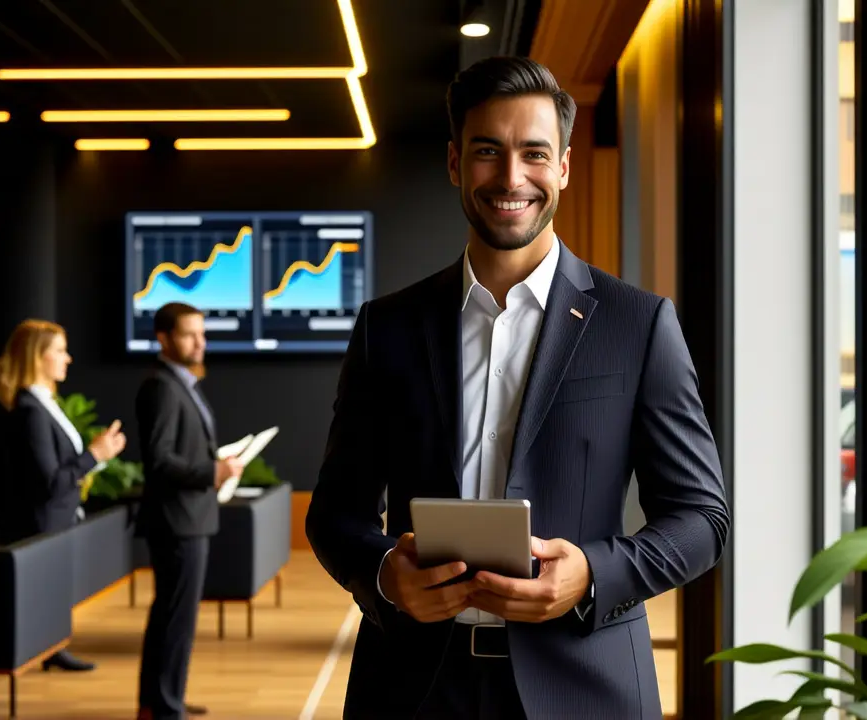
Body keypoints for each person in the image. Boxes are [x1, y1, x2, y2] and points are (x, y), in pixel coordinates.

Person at [306, 56, 731, 719]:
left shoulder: (637, 324)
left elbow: (702, 521)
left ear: (562, 166)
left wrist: (592, 573)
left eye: (534, 153)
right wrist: (388, 575)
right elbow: (334, 515)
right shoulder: (385, 329)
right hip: (413, 688)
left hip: (586, 687)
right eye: (487, 152)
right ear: (455, 163)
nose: (511, 178)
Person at [0, 318, 127, 673]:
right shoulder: (30, 411)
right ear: (38, 357)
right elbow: (50, 482)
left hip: (57, 518)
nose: (68, 359)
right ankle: (49, 648)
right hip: (42, 521)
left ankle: (53, 647)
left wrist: (99, 454)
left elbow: (65, 468)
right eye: (60, 351)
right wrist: (94, 455)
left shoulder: (45, 404)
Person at [134, 302, 243, 720]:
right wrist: (212, 470)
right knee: (174, 619)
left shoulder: (181, 384)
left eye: (202, 333)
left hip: (189, 518)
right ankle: (164, 705)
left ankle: (160, 701)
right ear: (164, 338)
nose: (201, 342)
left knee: (173, 616)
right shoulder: (161, 386)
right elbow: (159, 461)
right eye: (189, 334)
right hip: (177, 521)